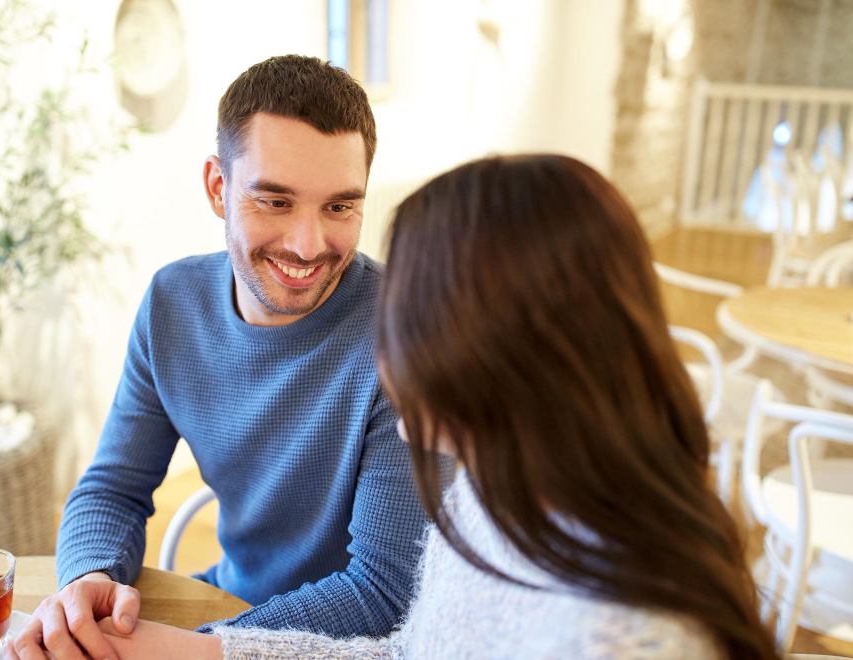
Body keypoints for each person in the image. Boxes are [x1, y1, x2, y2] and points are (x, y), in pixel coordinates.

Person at [83, 155, 781, 659]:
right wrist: (190, 653)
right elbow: (412, 651)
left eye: (406, 312)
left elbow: (381, 602)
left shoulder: (624, 634)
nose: (382, 345)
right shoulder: (495, 488)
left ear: (502, 345)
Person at [6, 55, 448, 660]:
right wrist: (89, 581)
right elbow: (113, 487)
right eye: (275, 201)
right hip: (226, 609)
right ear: (219, 187)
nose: (307, 245)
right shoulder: (171, 304)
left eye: (340, 207)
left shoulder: (410, 330)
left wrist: (192, 650)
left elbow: (383, 594)